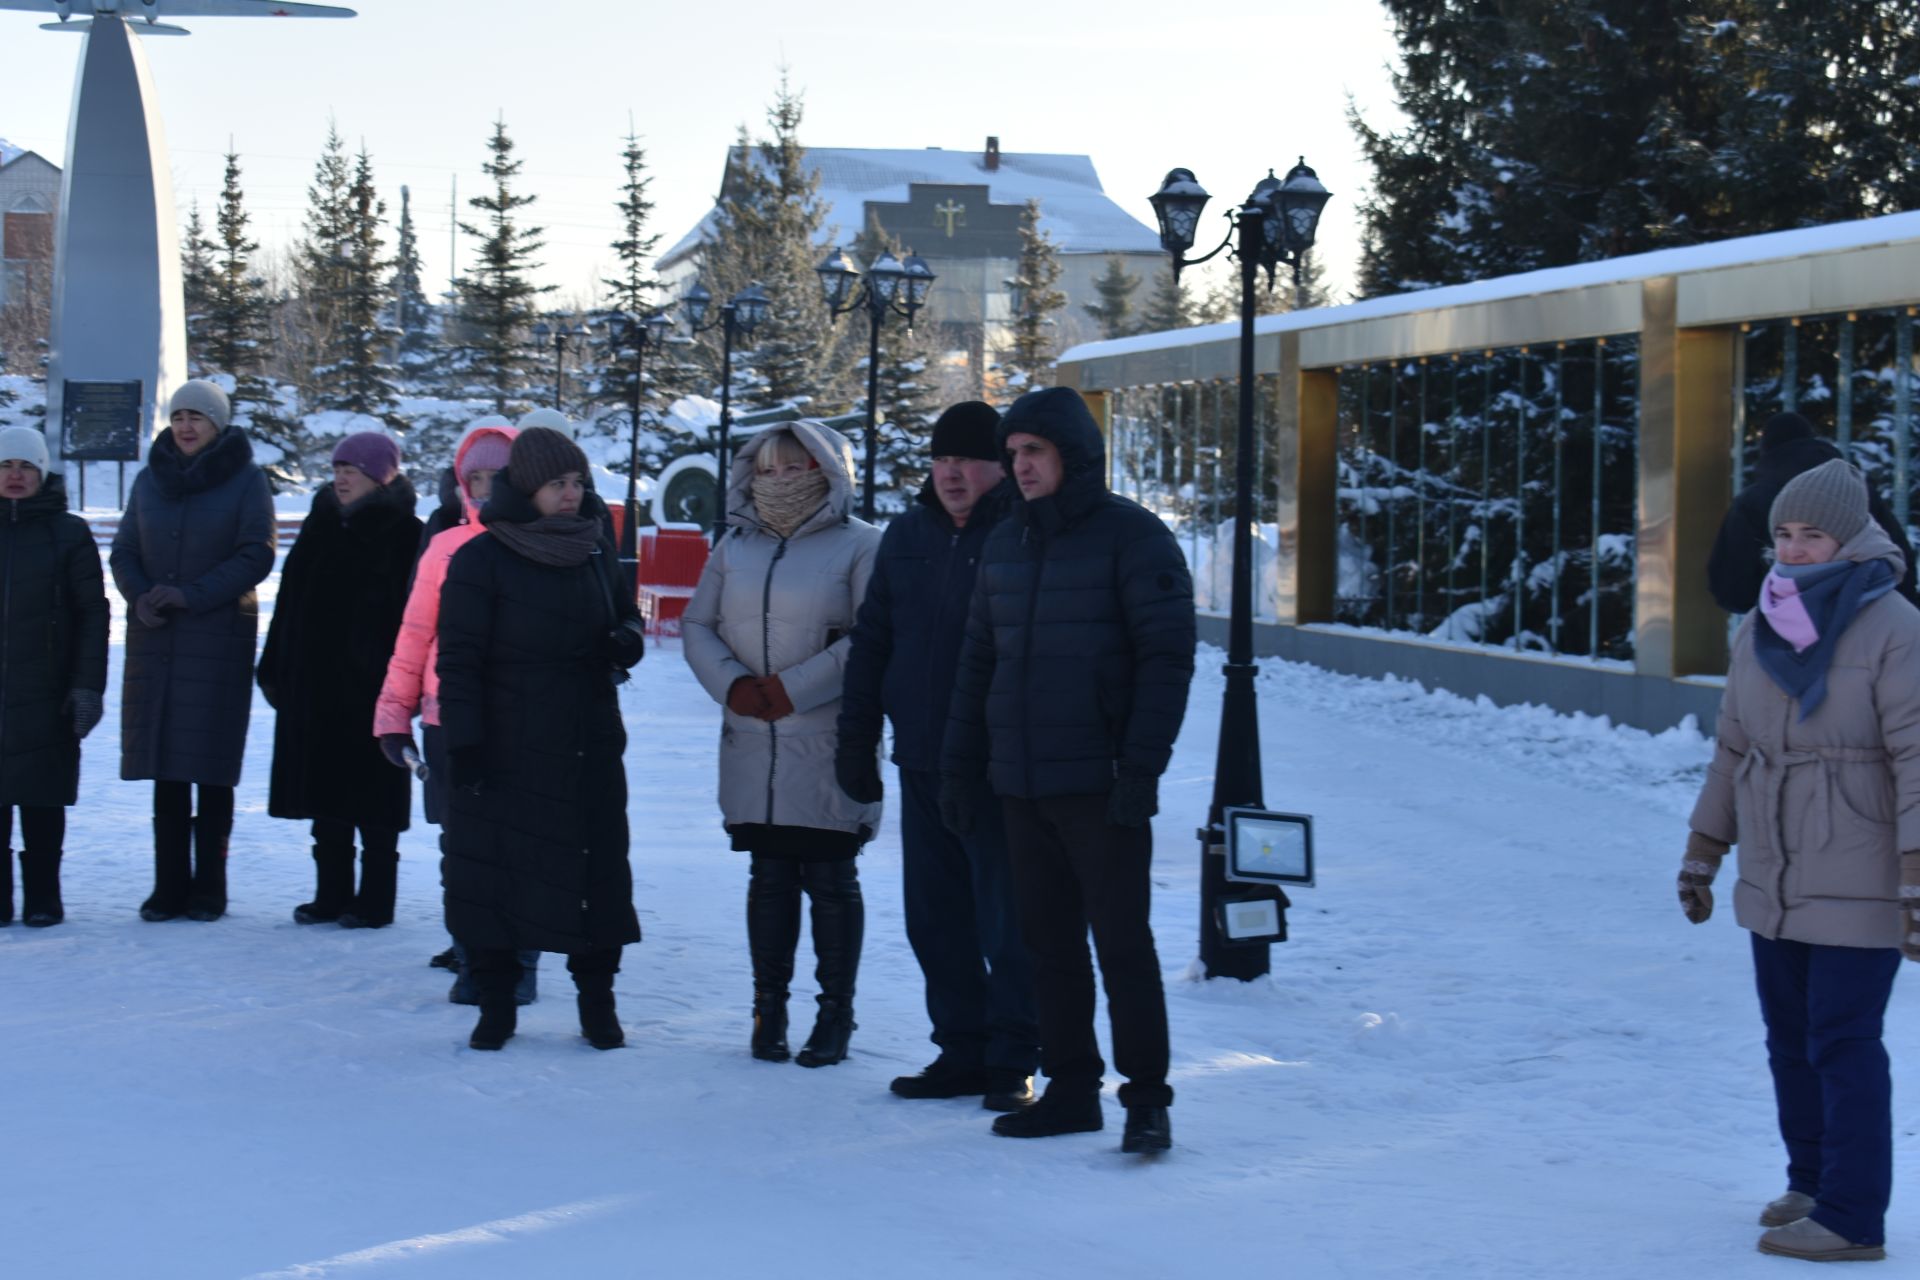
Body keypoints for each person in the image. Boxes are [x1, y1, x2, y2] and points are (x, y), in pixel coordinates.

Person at [940, 386, 1195, 1156]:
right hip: (1022, 784)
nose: (1019, 466)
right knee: (1047, 947)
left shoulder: (1133, 538)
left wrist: (1140, 770)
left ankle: (1146, 1099)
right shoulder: (1007, 545)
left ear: (1072, 456)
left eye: (1033, 452)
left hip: (1101, 784)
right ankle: (1072, 1090)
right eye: (1012, 454)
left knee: (1122, 947)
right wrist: (961, 769)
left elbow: (1166, 661)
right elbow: (978, 663)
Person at [1682, 458, 1919, 1263]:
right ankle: (1813, 1182)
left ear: (1849, 536)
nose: (1793, 549)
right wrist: (1703, 851)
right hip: (1777, 870)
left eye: (1811, 534)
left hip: (1862, 867)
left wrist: (1918, 877)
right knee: (1789, 1038)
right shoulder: (1762, 622)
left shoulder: (1895, 627)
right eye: (1783, 533)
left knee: (1843, 1040)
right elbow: (1733, 748)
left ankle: (1853, 1217)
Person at [836, 401, 1039, 1110]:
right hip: (920, 759)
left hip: (994, 769)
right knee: (936, 919)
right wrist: (856, 739)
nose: (952, 472)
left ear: (999, 465)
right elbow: (873, 642)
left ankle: (1014, 1058)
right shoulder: (909, 535)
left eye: (969, 459)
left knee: (1005, 921)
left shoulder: (1020, 533)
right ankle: (962, 1050)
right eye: (941, 458)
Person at [436, 427, 646, 1051]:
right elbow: (459, 660)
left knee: (596, 876)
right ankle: (496, 1005)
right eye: (559, 484)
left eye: (579, 483)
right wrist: (465, 745)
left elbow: (624, 614)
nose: (572, 495)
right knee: (497, 875)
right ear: (527, 488)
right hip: (506, 745)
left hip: (586, 739)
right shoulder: (481, 557)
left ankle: (597, 1003)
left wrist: (625, 640)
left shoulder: (593, 548)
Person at [682, 422, 881, 1068]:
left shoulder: (861, 547)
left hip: (825, 745)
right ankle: (768, 1011)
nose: (779, 481)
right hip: (754, 747)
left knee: (829, 880)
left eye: (795, 468)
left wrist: (793, 689)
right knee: (768, 880)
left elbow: (869, 639)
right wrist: (734, 686)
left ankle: (835, 1016)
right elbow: (698, 625)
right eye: (767, 470)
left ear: (827, 471)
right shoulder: (733, 548)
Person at [375, 422, 541, 1001]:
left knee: (518, 843)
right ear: (462, 484)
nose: (489, 488)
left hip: (519, 718)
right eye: (478, 478)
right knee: (462, 845)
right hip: (447, 718)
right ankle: (474, 955)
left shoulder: (541, 540)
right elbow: (414, 634)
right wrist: (393, 712)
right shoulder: (445, 546)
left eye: (501, 477)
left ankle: (520, 960)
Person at [111, 380, 275, 923]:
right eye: (179, 415)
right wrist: (140, 596)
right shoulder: (148, 481)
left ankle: (210, 886)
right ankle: (168, 886)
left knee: (210, 767)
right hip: (157, 640)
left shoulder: (247, 481)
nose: (185, 426)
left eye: (197, 418)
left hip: (217, 638)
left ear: (217, 426)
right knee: (165, 766)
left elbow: (256, 554)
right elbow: (125, 550)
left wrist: (193, 596)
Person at [257, 432, 421, 928]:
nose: (343, 477)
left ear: (381, 477)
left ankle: (375, 900)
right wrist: (274, 664)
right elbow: (289, 602)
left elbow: (414, 618)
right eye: (338, 469)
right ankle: (330, 893)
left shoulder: (406, 534)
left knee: (374, 798)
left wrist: (400, 683)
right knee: (324, 793)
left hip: (375, 689)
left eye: (354, 469)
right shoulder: (320, 526)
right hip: (316, 683)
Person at [0, 427, 108, 927]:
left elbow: (92, 614)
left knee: (43, 799)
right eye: (6, 466)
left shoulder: (69, 533)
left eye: (25, 467)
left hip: (48, 690)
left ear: (42, 474)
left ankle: (44, 896)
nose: (15, 475)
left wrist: (87, 685)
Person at [1707, 411, 1917, 613]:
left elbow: (1731, 589)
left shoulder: (1751, 502)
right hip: (1872, 620)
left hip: (1784, 629)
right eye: (1784, 535)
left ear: (1766, 450)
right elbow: (1897, 557)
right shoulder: (1857, 492)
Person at [417, 414, 511, 557]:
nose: (485, 489)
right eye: (476, 478)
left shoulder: (529, 523)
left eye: (495, 477)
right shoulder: (443, 521)